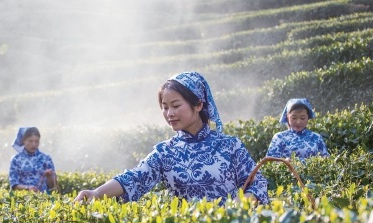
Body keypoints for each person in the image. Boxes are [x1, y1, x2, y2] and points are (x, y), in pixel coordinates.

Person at [75, 71, 268, 205]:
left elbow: (256, 183)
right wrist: (97, 193)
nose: (169, 113)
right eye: (165, 107)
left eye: (176, 105)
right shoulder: (165, 152)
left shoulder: (229, 146)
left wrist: (239, 205)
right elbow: (134, 177)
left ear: (198, 104)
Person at [9, 127, 57, 192]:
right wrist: (27, 188)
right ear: (23, 141)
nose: (34, 144)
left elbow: (53, 186)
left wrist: (49, 177)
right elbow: (13, 185)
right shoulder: (16, 159)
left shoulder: (46, 158)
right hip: (22, 198)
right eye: (30, 141)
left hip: (43, 198)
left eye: (36, 141)